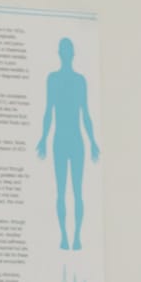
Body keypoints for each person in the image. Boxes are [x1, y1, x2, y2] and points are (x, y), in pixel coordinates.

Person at [34, 35, 102, 251]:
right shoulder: (58, 80)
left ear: (63, 54)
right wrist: (44, 137)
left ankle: (72, 237)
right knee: (69, 190)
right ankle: (68, 237)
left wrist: (93, 141)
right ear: (70, 54)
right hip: (67, 139)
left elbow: (84, 115)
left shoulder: (72, 81)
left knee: (70, 190)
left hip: (68, 139)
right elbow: (50, 112)